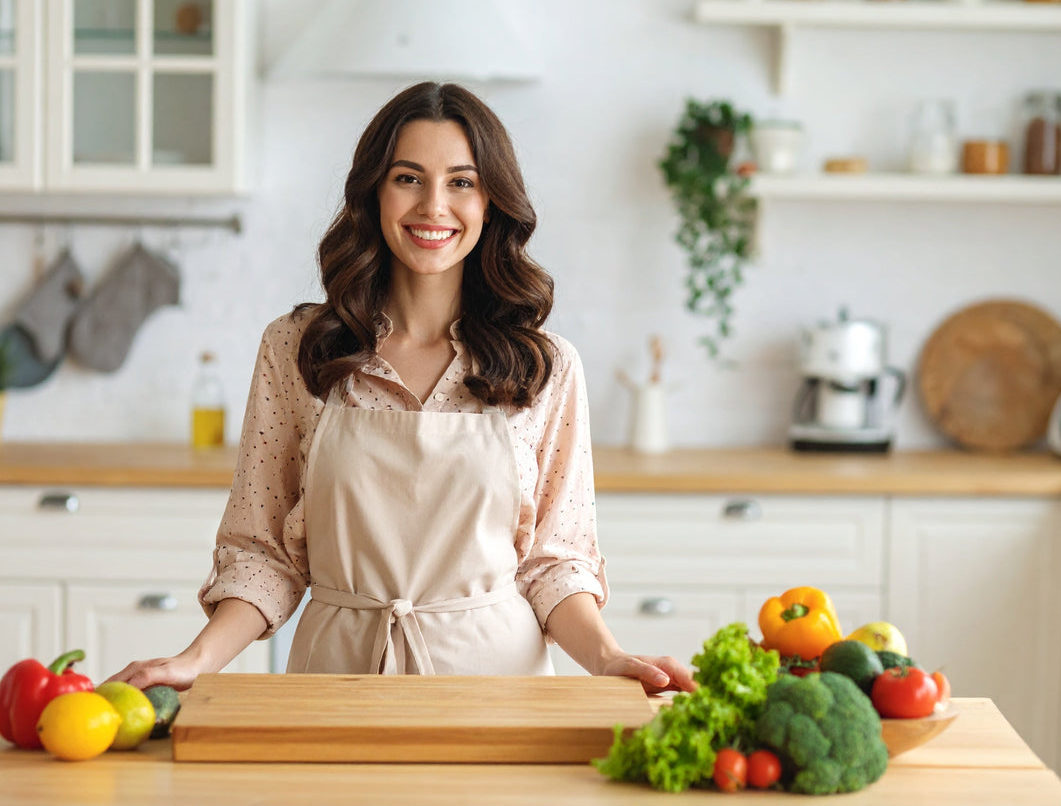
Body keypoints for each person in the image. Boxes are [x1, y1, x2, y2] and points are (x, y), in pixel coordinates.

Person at [110, 82, 696, 694]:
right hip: (334, 686)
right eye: (408, 178)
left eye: (462, 182)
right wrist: (194, 661)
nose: (433, 206)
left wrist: (608, 658)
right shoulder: (299, 348)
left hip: (498, 692)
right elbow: (264, 555)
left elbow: (555, 563)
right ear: (374, 193)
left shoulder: (542, 367)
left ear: (492, 202)